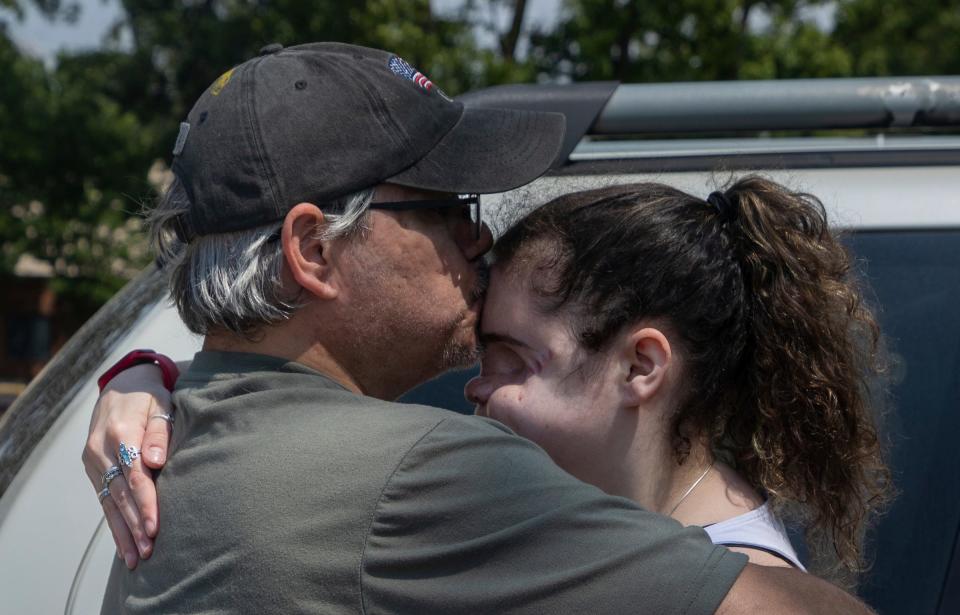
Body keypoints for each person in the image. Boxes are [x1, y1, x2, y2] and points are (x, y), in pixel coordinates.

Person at [84, 42, 874, 613]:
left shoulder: (172, 439)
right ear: (313, 249)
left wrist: (141, 373)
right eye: (442, 206)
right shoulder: (415, 475)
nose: (478, 239)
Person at [463, 179, 891, 580]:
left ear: (640, 366)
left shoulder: (730, 593)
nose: (475, 388)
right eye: (485, 361)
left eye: (513, 360)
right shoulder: (640, 548)